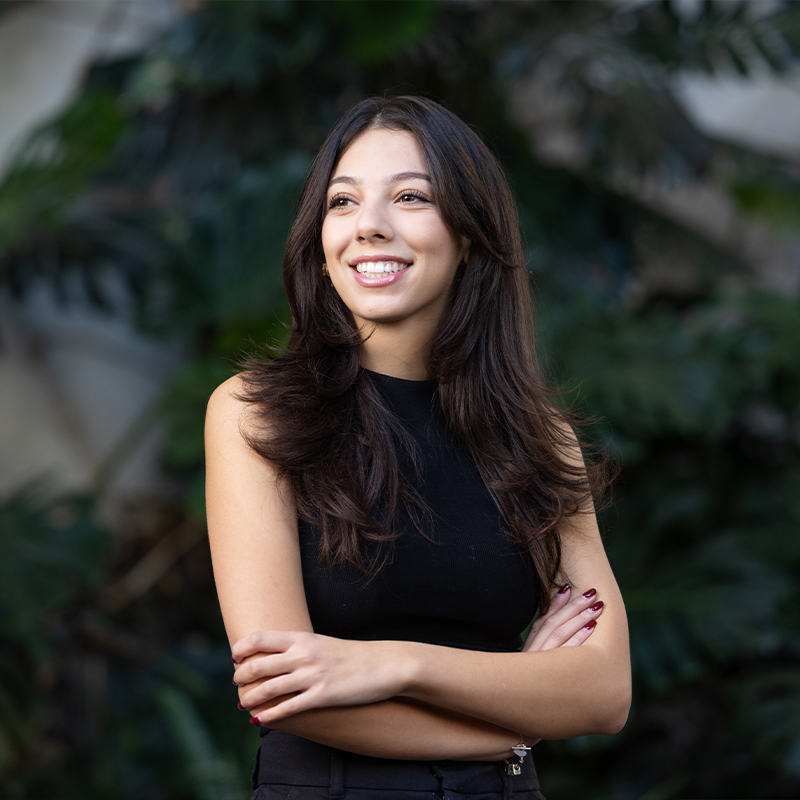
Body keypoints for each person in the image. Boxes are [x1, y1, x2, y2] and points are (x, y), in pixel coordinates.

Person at [205, 95, 631, 800]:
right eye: (342, 203)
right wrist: (514, 729)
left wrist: (397, 665)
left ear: (470, 233)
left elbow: (605, 691)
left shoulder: (537, 437)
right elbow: (283, 693)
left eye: (409, 197)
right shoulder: (256, 414)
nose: (368, 227)